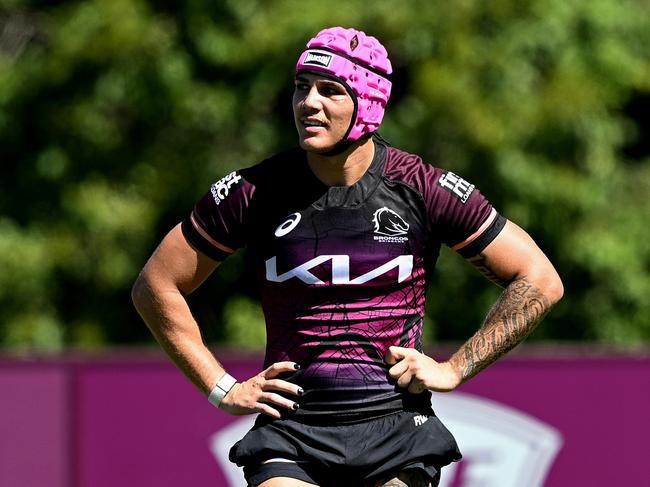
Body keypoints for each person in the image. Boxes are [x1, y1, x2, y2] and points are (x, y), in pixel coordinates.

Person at [132, 26, 563, 487]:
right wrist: (223, 389)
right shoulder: (254, 192)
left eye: (330, 91)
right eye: (301, 87)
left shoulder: (421, 187)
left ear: (370, 102)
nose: (307, 103)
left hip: (396, 430)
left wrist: (455, 368)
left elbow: (540, 280)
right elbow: (155, 286)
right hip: (291, 431)